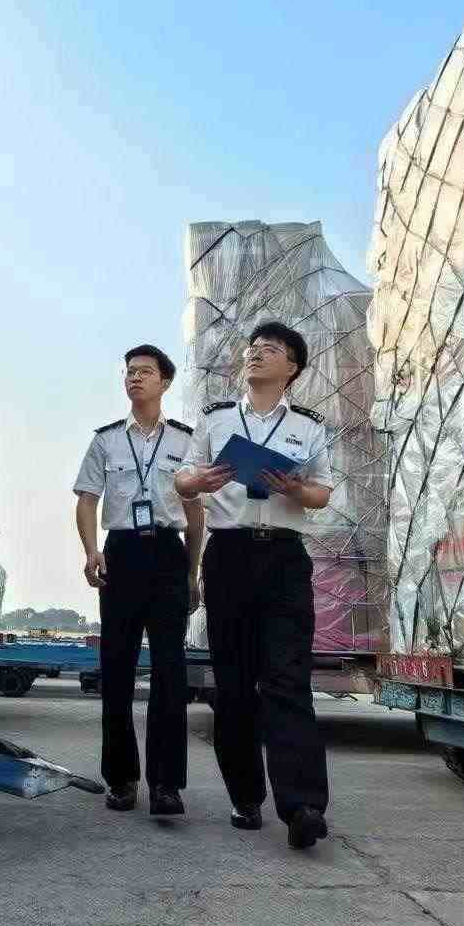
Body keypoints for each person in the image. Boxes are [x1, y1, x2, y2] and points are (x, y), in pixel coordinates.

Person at [174, 319, 334, 850]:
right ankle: (246, 797)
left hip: (284, 557)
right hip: (229, 556)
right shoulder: (216, 418)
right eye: (253, 347)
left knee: (288, 680)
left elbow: (322, 493)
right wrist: (197, 482)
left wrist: (296, 488)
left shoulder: (308, 426)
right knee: (235, 684)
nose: (257, 353)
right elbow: (182, 477)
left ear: (292, 368)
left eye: (271, 348)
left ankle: (302, 805)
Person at [72, 343, 205, 819]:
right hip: (121, 554)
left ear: (165, 382)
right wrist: (92, 550)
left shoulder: (186, 442)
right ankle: (122, 779)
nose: (134, 378)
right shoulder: (106, 441)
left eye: (145, 371)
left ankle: (166, 785)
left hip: (168, 554)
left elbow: (195, 513)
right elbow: (87, 499)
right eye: (129, 371)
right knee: (117, 669)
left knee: (170, 671)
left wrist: (192, 571)